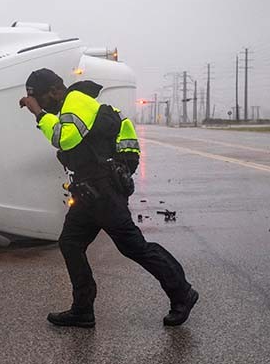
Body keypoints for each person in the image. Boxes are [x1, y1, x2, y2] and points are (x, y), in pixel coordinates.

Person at [19, 68, 197, 328]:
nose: (39, 104)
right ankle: (82, 310)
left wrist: (39, 114)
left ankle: (182, 292)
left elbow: (64, 139)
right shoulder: (76, 104)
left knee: (134, 246)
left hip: (103, 193)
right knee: (70, 242)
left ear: (57, 90)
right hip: (89, 192)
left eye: (41, 98)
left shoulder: (75, 101)